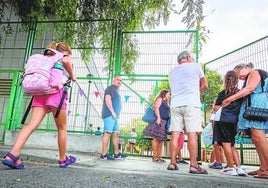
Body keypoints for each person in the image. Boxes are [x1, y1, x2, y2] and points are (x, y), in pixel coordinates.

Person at [2, 41, 77, 169]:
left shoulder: (47, 58)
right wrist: (73, 76)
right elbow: (66, 62)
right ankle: (63, 159)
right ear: (67, 50)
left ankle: (12, 155)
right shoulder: (65, 56)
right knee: (62, 128)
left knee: (31, 124)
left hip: (40, 93)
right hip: (56, 94)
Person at [222, 63, 268, 179]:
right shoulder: (251, 75)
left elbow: (249, 89)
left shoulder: (254, 72)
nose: (239, 77)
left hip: (257, 107)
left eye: (239, 74)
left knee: (259, 137)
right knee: (256, 138)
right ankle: (263, 167)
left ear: (245, 68)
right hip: (255, 107)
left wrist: (229, 99)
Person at [168, 51, 208, 174]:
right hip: (191, 104)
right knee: (192, 134)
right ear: (189, 58)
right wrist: (195, 92)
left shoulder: (172, 71)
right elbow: (205, 85)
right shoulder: (195, 66)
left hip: (175, 104)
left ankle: (172, 163)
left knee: (175, 134)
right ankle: (194, 165)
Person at [213, 70, 246, 176]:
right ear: (236, 80)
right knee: (232, 144)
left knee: (225, 143)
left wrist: (224, 106)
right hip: (234, 121)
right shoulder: (240, 93)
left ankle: (231, 168)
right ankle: (239, 167)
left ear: (225, 80)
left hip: (223, 120)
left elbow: (216, 107)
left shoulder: (223, 93)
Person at [100, 76, 127, 160]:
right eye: (117, 80)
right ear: (113, 80)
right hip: (109, 115)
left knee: (115, 134)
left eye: (121, 80)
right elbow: (108, 100)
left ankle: (117, 153)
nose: (119, 81)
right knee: (108, 133)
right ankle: (103, 154)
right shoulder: (110, 88)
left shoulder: (116, 91)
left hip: (115, 116)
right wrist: (112, 111)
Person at [143, 89, 170, 162]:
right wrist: (158, 117)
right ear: (164, 94)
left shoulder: (166, 102)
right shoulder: (160, 99)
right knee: (156, 139)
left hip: (164, 122)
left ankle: (159, 156)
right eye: (168, 94)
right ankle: (154, 156)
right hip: (159, 121)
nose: (169, 95)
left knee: (161, 140)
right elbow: (156, 108)